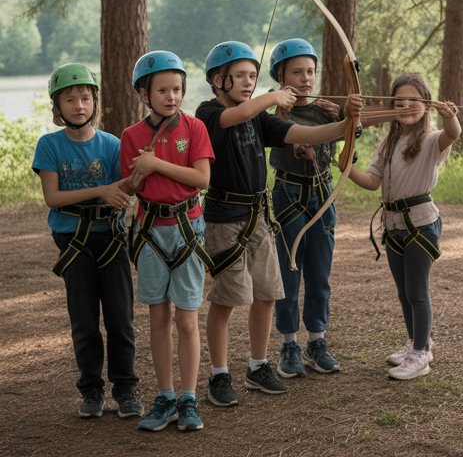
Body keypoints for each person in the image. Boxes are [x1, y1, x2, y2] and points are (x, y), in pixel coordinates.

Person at [195, 41, 360, 407]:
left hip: (258, 217)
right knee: (226, 299)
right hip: (224, 218)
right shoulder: (207, 113)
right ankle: (219, 374)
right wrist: (272, 97)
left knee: (268, 293)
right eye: (238, 76)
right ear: (217, 80)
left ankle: (257, 366)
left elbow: (304, 134)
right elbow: (235, 116)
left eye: (252, 76)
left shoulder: (259, 115)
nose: (247, 82)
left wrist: (347, 122)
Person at [32, 63, 140, 420]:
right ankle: (91, 389)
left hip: (110, 238)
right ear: (57, 107)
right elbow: (53, 197)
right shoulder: (50, 145)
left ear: (95, 101)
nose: (79, 105)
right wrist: (101, 191)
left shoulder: (112, 144)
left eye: (85, 98)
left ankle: (125, 388)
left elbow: (123, 188)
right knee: (84, 319)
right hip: (74, 240)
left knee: (121, 318)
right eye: (70, 99)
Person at [121, 50, 214, 432]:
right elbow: (128, 186)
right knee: (157, 316)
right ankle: (165, 395)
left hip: (188, 228)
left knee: (187, 319)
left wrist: (155, 163)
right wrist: (139, 174)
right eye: (162, 90)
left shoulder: (194, 129)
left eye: (177, 89)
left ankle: (189, 398)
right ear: (145, 92)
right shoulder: (131, 136)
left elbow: (202, 179)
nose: (171, 96)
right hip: (149, 230)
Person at [348, 73, 462, 380]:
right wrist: (345, 166)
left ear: (426, 104)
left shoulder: (431, 140)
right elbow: (372, 183)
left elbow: (453, 133)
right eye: (399, 102)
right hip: (393, 225)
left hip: (421, 224)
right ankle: (415, 342)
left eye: (414, 100)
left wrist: (450, 117)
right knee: (403, 291)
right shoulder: (389, 142)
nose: (407, 106)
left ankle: (421, 355)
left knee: (417, 292)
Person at [267, 38, 347, 377]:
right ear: (280, 75)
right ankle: (289, 343)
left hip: (322, 193)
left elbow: (359, 121)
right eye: (297, 72)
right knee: (289, 271)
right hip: (289, 194)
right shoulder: (275, 116)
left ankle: (317, 340)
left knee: (320, 270)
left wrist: (354, 111)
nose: (305, 78)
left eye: (310, 71)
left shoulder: (327, 109)